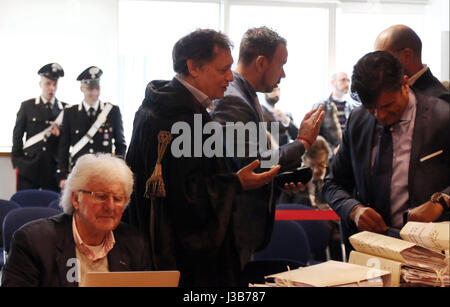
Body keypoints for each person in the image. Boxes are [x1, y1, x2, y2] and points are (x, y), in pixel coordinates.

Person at [125, 29, 281, 287]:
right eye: (223, 70)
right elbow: (186, 199)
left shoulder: (169, 108)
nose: (230, 77)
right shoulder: (179, 118)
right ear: (194, 67)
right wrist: (236, 183)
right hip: (184, 264)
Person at [211, 26, 324, 271]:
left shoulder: (245, 94)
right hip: (231, 226)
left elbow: (249, 164)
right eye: (281, 64)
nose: (283, 74)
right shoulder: (233, 99)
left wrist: (279, 178)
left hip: (239, 226)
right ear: (261, 62)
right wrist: (303, 142)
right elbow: (253, 164)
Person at [322, 51, 450, 249]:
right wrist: (354, 210)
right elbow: (332, 184)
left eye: (387, 105)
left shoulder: (442, 117)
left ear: (405, 84)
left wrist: (441, 201)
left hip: (430, 250)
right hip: (369, 250)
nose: (380, 115)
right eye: (371, 108)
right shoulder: (357, 120)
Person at [1, 154, 151, 287]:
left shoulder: (134, 244)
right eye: (100, 196)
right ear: (75, 199)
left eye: (118, 199)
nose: (110, 207)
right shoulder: (33, 243)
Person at [57, 66, 126, 188]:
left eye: (96, 88)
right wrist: (63, 175)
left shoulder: (112, 111)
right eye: (89, 88)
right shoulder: (70, 113)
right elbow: (64, 147)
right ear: (81, 89)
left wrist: (118, 170)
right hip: (79, 172)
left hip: (105, 173)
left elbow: (120, 144)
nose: (93, 92)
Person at [11, 63, 66, 192]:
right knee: (25, 207)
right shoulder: (27, 106)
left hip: (53, 169)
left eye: (55, 84)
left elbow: (67, 141)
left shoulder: (65, 109)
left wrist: (60, 133)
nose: (51, 88)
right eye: (48, 83)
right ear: (40, 84)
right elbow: (17, 136)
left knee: (53, 209)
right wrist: (18, 162)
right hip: (29, 168)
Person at [374, 24, 450, 103]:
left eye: (383, 58)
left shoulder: (440, 100)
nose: (379, 66)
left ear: (407, 55)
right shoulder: (395, 90)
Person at [278, 136, 330, 208]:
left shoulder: (334, 176)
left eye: (321, 165)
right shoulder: (293, 177)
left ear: (326, 160)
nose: (316, 170)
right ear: (303, 161)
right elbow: (281, 209)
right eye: (311, 166)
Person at [312, 72, 356, 156]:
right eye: (343, 80)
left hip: (350, 155)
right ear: (333, 83)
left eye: (348, 80)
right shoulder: (321, 106)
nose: (347, 83)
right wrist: (332, 150)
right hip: (330, 157)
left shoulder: (352, 107)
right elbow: (314, 135)